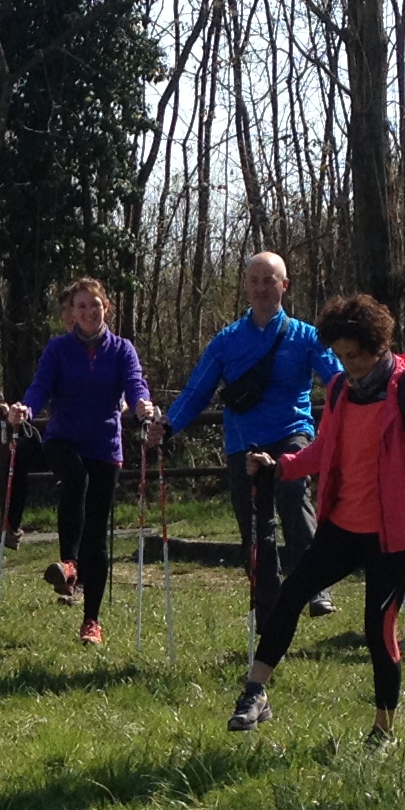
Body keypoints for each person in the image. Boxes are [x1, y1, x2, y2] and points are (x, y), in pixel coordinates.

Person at [227, 295, 405, 740]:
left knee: (378, 628)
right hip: (342, 524)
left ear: (377, 346)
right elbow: (323, 450)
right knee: (291, 593)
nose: (348, 365)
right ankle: (255, 691)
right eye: (340, 356)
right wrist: (281, 466)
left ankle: (383, 730)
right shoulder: (339, 390)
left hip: (393, 531)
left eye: (354, 355)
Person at [164, 251, 344, 621]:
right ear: (246, 286)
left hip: (292, 433)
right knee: (255, 526)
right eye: (255, 281)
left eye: (269, 281)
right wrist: (167, 426)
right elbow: (197, 391)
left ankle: (314, 585)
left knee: (293, 494)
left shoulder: (306, 336)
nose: (262, 288)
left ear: (284, 286)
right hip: (243, 441)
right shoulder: (227, 340)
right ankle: (269, 606)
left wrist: (369, 408)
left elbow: (339, 382)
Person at [0, 276, 157, 644]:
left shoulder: (122, 350)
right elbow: (41, 387)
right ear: (71, 313)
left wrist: (142, 404)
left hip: (105, 447)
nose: (88, 312)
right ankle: (69, 563)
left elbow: (135, 384)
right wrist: (26, 408)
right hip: (63, 438)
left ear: (107, 308)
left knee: (97, 537)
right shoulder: (58, 349)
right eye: (81, 306)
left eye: (95, 305)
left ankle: (92, 621)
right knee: (75, 477)